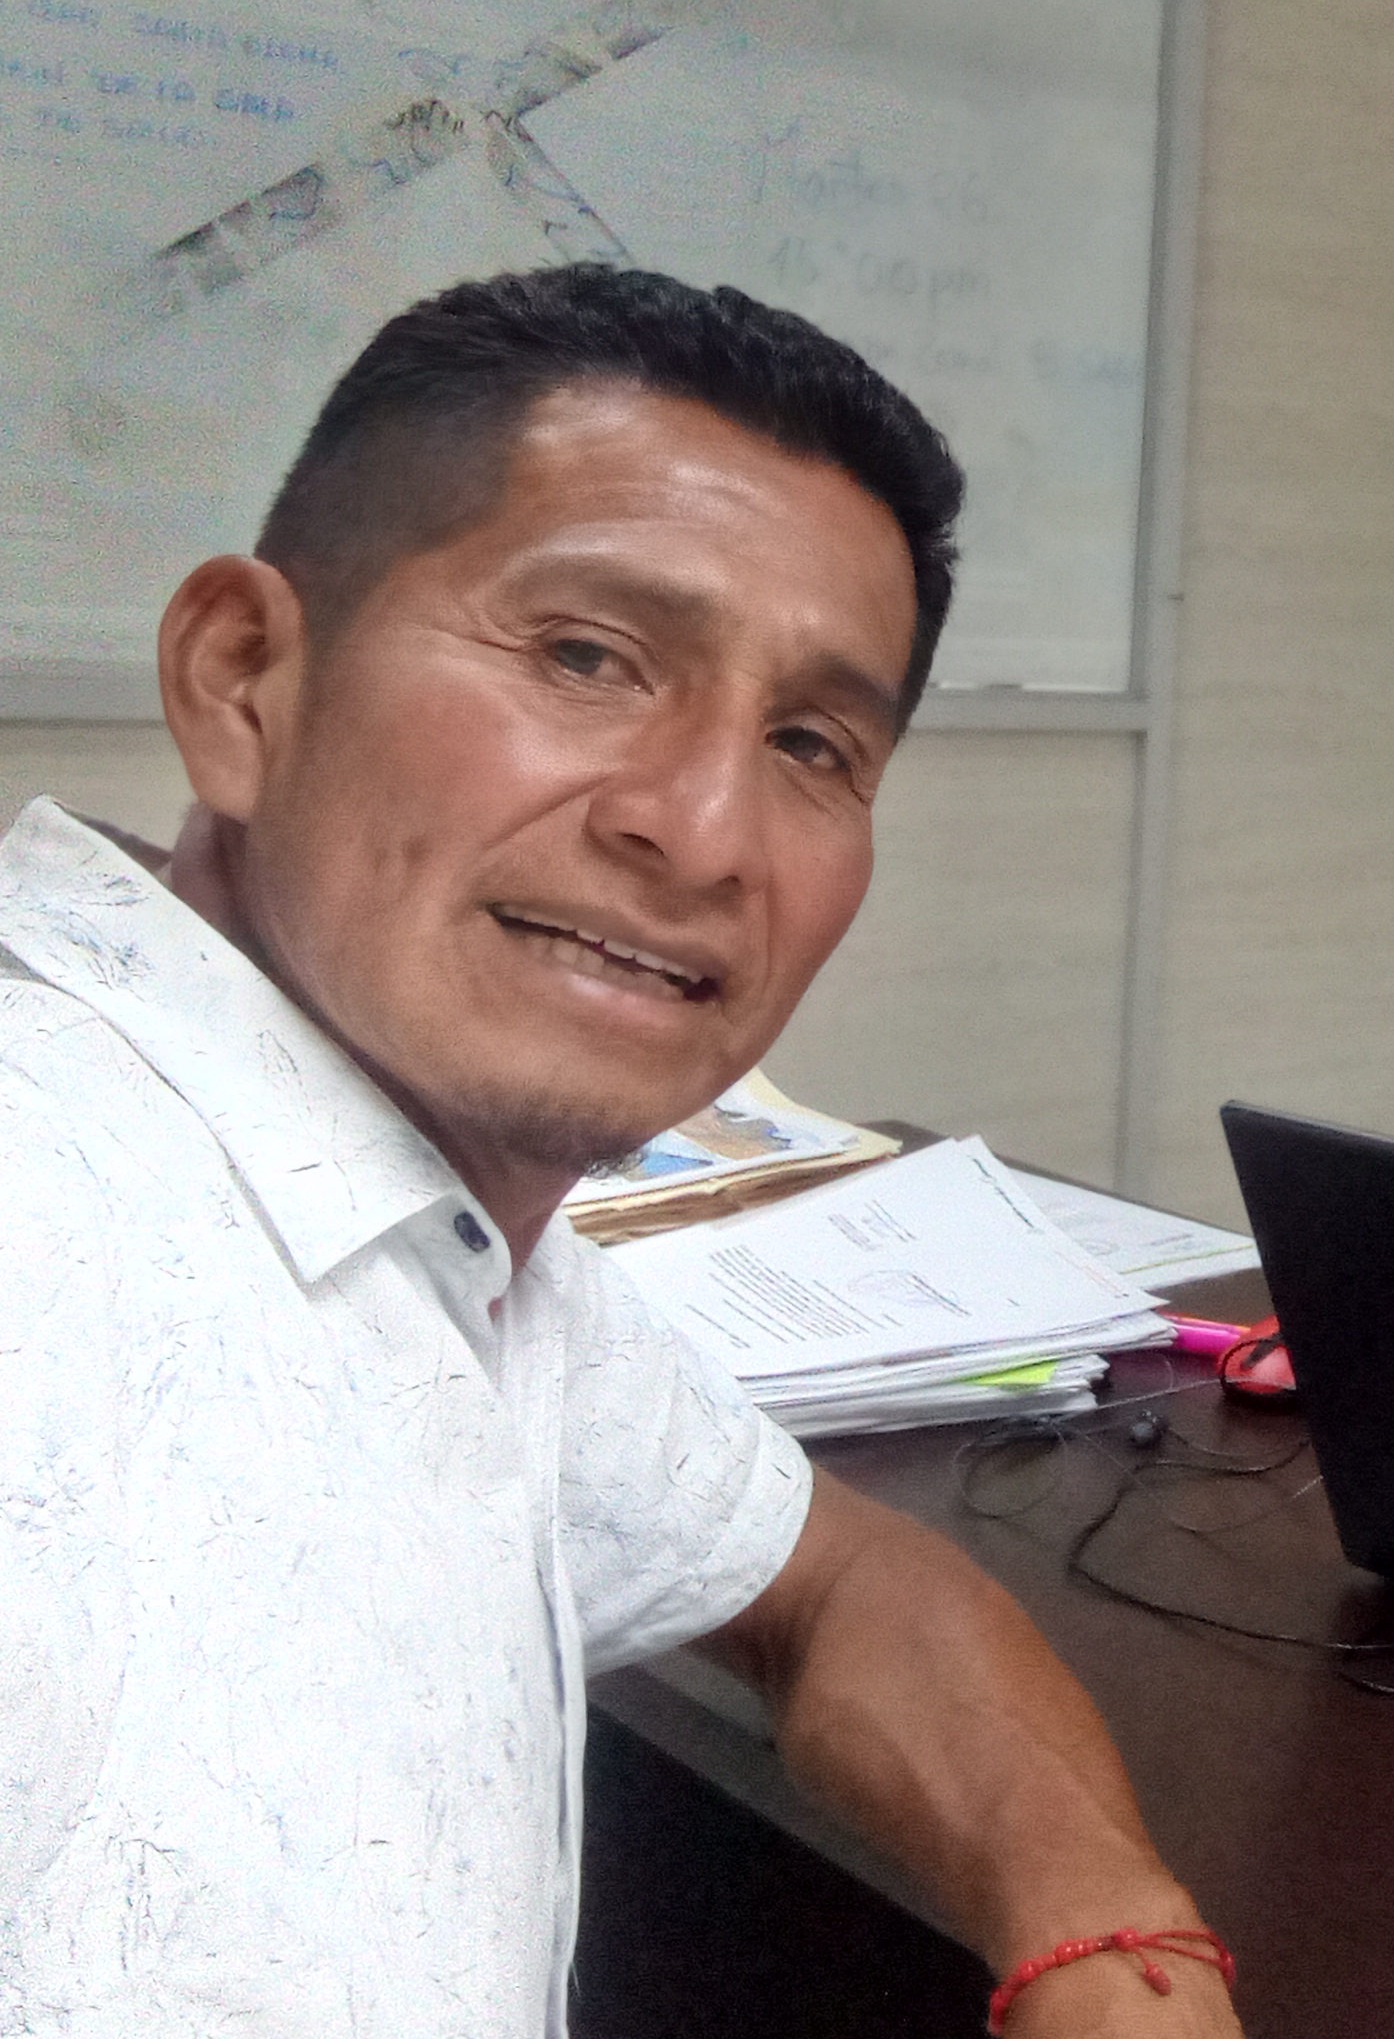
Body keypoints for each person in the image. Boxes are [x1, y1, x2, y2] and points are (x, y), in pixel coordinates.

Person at [0, 266, 1239, 2037]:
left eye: (810, 743)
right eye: (586, 656)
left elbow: (842, 1583)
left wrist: (1110, 1946)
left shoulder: (401, 1205)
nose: (706, 831)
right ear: (246, 678)